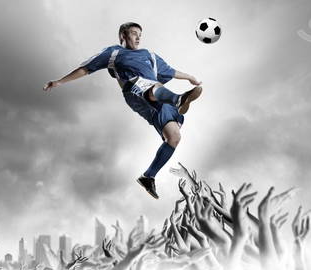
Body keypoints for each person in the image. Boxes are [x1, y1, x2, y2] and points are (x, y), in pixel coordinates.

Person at [44, 22, 202, 199]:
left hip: (157, 97)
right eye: (133, 33)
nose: (137, 37)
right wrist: (59, 81)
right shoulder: (113, 53)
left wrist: (190, 77)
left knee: (174, 137)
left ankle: (148, 177)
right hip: (134, 90)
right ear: (122, 36)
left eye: (140, 34)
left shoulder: (149, 55)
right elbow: (85, 69)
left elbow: (170, 71)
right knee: (150, 85)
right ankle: (178, 99)